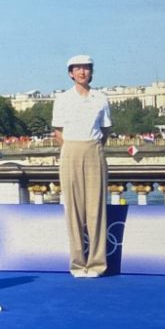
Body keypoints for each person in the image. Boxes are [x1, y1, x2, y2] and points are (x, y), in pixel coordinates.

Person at [51, 54, 113, 278]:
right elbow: (58, 132)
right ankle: (78, 264)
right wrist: (72, 149)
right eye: (77, 69)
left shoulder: (101, 98)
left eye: (86, 68)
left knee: (96, 208)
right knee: (74, 209)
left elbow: (105, 130)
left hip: (94, 149)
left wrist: (92, 146)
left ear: (91, 72)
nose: (82, 72)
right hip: (70, 150)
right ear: (70, 73)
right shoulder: (63, 99)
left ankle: (96, 264)